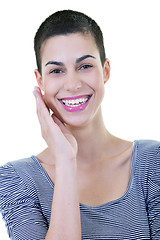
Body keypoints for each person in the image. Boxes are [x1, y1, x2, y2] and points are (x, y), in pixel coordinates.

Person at [0, 9, 160, 240]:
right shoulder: (17, 180)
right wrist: (65, 161)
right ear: (40, 80)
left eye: (84, 66)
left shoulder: (152, 162)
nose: (72, 84)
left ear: (105, 71)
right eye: (56, 71)